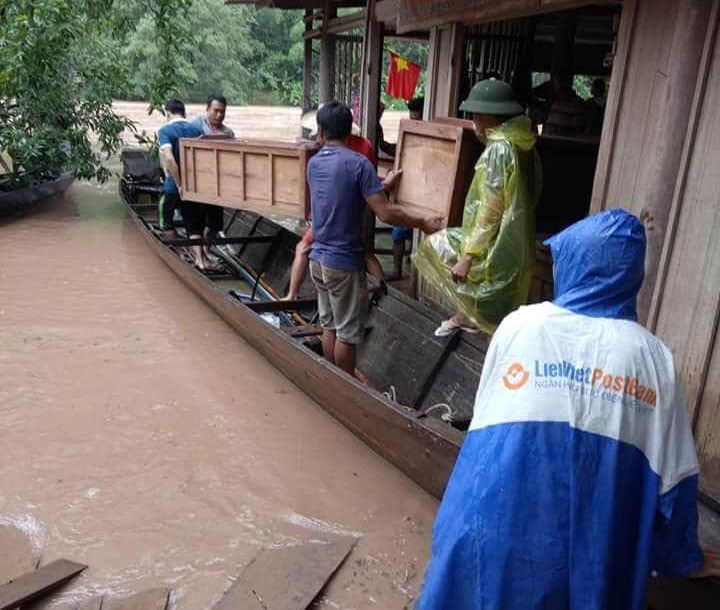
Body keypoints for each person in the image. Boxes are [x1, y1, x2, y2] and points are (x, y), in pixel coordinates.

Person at [416, 209, 720, 610]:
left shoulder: (519, 325)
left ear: (576, 264)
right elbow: (676, 486)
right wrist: (684, 558)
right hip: (588, 567)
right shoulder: (653, 358)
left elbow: (486, 419)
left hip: (479, 540)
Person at [307, 101, 443, 376]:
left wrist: (381, 185)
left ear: (321, 132)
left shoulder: (314, 162)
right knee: (346, 333)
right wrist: (422, 222)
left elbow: (342, 189)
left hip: (317, 260)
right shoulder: (358, 163)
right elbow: (386, 214)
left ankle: (330, 380)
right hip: (343, 264)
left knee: (329, 325)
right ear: (350, 132)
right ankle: (346, 389)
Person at [415, 79, 542, 336]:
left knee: (437, 247)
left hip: (496, 240)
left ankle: (469, 319)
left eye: (475, 116)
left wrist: (468, 256)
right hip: (516, 237)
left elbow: (491, 209)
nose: (473, 122)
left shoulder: (499, 149)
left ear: (488, 116)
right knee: (500, 294)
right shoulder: (524, 143)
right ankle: (468, 317)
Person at [284, 107, 401, 301]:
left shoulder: (319, 158)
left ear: (323, 131)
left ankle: (291, 295)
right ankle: (382, 289)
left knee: (303, 246)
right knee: (363, 249)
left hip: (334, 216)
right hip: (357, 209)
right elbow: (369, 183)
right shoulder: (364, 147)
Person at [386, 97, 426, 281]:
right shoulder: (408, 139)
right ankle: (398, 271)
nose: (414, 124)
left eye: (417, 121)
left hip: (425, 193)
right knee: (399, 232)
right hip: (409, 191)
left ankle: (412, 271)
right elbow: (389, 148)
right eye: (412, 120)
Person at [157, 99, 203, 239]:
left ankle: (171, 247)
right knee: (193, 224)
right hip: (195, 185)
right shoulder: (197, 130)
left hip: (173, 186)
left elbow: (170, 159)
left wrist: (179, 184)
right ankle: (199, 257)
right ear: (184, 113)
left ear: (168, 114)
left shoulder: (165, 131)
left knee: (166, 221)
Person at [543, 71, 587, 137]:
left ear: (565, 84)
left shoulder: (577, 105)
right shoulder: (553, 101)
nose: (554, 87)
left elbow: (577, 133)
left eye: (556, 84)